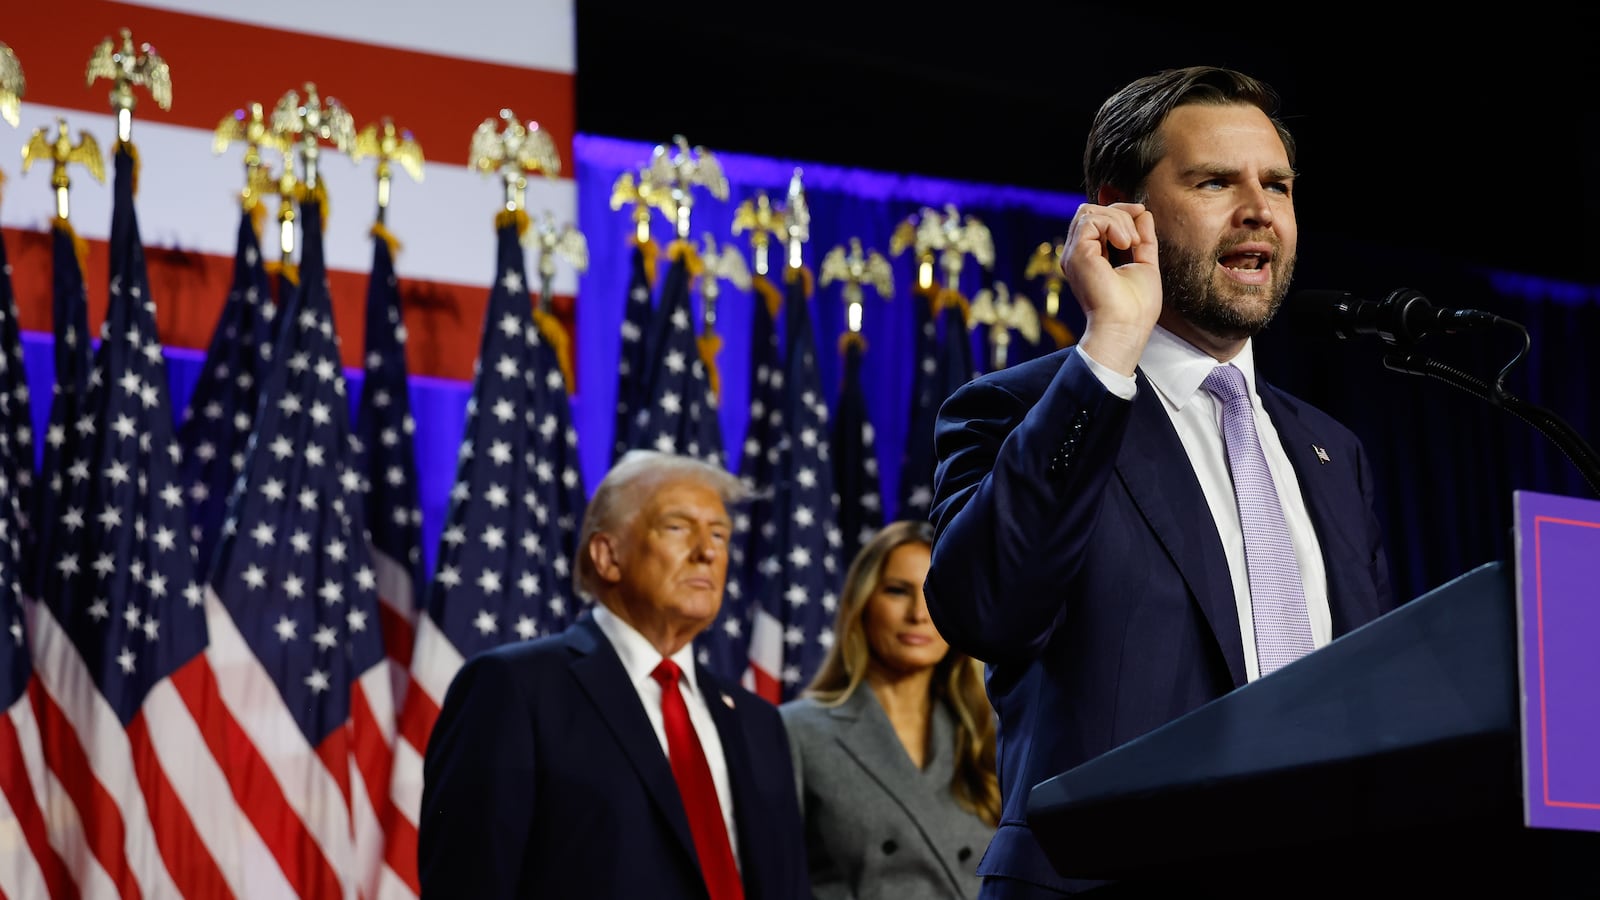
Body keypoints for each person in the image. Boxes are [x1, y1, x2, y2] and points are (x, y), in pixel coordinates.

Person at [922, 65, 1396, 899]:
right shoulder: (1018, 410)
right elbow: (987, 607)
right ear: (1120, 210)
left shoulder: (1332, 450)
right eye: (1215, 181)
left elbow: (1377, 693)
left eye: (1277, 185)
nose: (1260, 209)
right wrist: (1109, 346)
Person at [417, 448, 810, 899]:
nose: (706, 552)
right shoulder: (515, 689)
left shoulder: (758, 722)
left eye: (720, 535)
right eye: (678, 528)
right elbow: (469, 884)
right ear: (607, 555)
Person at [781, 520, 1000, 900]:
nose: (919, 613)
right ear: (862, 603)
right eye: (898, 591)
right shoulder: (796, 731)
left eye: (935, 592)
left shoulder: (987, 731)